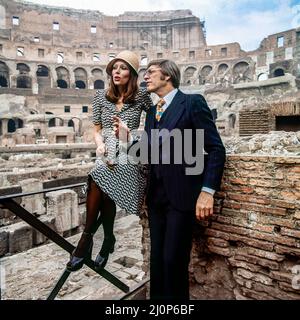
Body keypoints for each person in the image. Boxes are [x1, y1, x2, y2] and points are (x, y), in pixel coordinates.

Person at [142, 59, 226, 299]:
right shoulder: (151, 111)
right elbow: (150, 151)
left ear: (167, 76)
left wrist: (207, 191)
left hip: (182, 197)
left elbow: (215, 149)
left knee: (173, 261)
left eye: (150, 73)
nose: (145, 77)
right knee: (157, 262)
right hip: (156, 198)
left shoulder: (192, 102)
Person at [66, 50, 152, 272]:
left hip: (129, 150)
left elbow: (157, 121)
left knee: (99, 178)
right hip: (106, 150)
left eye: (123, 68)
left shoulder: (142, 97)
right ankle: (106, 240)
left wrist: (134, 138)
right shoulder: (100, 96)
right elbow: (96, 130)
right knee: (103, 185)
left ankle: (87, 239)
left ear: (131, 74)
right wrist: (99, 144)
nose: (117, 72)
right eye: (114, 68)